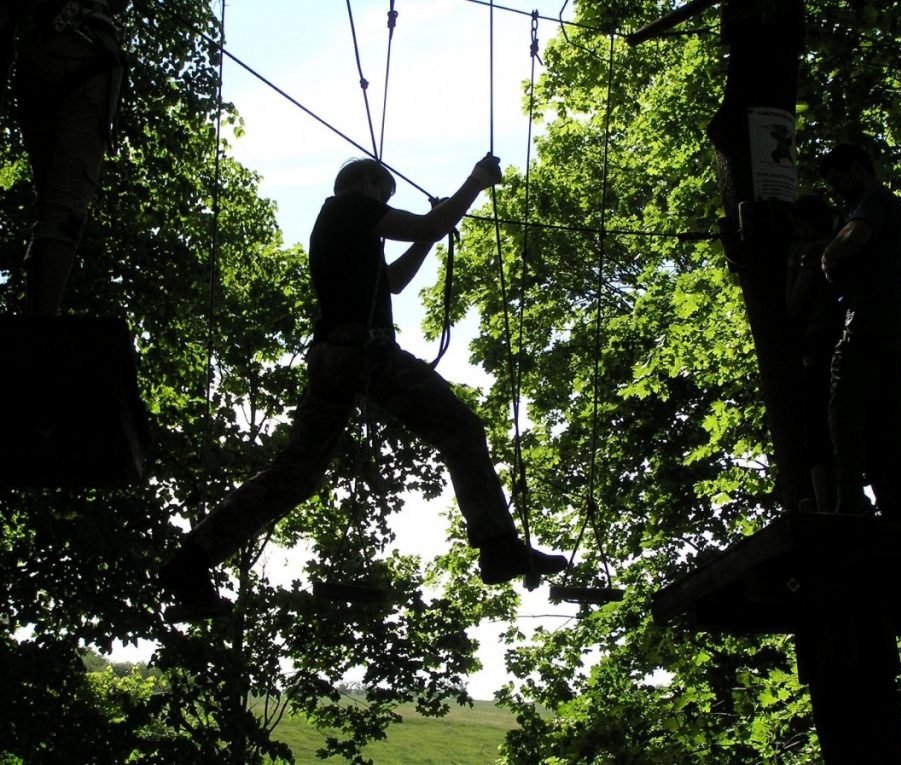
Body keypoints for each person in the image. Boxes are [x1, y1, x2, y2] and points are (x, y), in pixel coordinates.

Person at [160, 155, 568, 622]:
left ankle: (190, 565)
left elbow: (392, 281)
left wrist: (430, 240)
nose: (386, 203)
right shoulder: (348, 206)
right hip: (363, 351)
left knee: (294, 477)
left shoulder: (347, 229)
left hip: (333, 357)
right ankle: (498, 547)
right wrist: (475, 182)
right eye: (387, 194)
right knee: (460, 429)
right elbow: (429, 223)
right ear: (369, 184)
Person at [2, 0, 127, 315]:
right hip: (85, 55)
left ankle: (36, 321)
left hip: (34, 56)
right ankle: (41, 331)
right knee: (64, 210)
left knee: (50, 208)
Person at [819, 143, 901, 518]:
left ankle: (850, 502)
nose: (835, 188)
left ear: (857, 170)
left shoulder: (874, 201)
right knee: (890, 414)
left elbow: (856, 236)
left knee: (844, 410)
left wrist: (829, 254)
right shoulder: (891, 205)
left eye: (838, 178)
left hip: (868, 316)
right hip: (892, 320)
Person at [786, 195, 842, 513]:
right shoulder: (840, 246)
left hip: (818, 339)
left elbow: (793, 306)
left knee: (816, 421)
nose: (796, 233)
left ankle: (825, 504)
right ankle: (845, 497)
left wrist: (792, 265)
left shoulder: (812, 251)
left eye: (798, 225)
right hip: (843, 336)